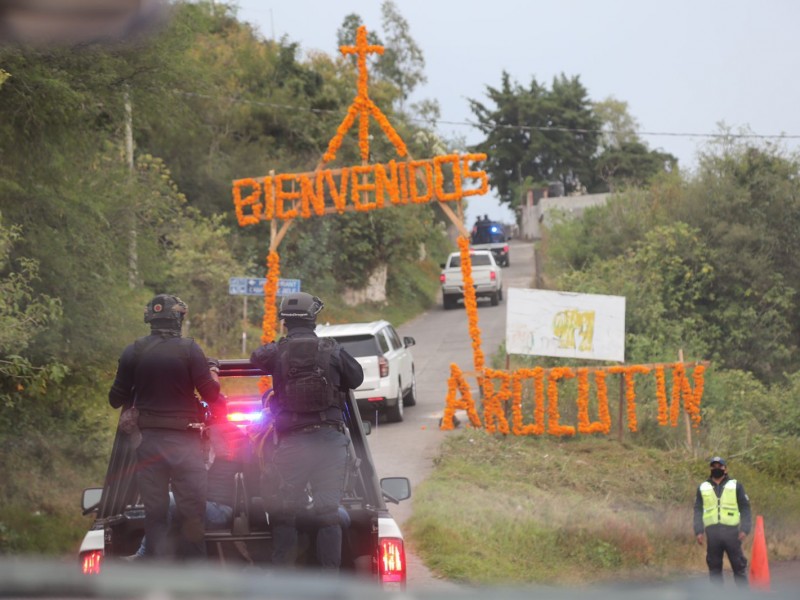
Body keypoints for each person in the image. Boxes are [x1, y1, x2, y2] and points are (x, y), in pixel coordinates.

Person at [250, 292, 363, 570]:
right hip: (329, 444)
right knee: (328, 513)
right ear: (313, 317)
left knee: (285, 512)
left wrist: (281, 348)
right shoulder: (332, 350)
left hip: (293, 443)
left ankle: (284, 583)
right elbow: (356, 377)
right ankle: (328, 582)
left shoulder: (277, 351)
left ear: (285, 320)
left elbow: (255, 358)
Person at [109, 294, 221, 560]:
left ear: (150, 319)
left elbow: (115, 399)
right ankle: (196, 578)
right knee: (191, 514)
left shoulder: (133, 351)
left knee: (155, 514)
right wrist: (212, 370)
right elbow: (212, 395)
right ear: (178, 319)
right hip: (185, 443)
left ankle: (158, 578)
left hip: (148, 445)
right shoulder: (190, 350)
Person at [131, 401, 250, 558]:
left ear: (208, 413)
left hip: (215, 509)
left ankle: (146, 555)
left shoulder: (210, 437)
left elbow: (190, 473)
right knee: (180, 509)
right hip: (224, 511)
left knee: (162, 502)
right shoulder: (236, 436)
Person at [693, 456, 752, 586]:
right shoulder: (703, 487)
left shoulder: (736, 485)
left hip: (732, 533)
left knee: (739, 567)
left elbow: (745, 508)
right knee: (714, 570)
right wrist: (698, 531)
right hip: (712, 534)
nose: (716, 468)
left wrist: (745, 529)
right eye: (714, 466)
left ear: (725, 469)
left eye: (720, 466)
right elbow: (698, 510)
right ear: (710, 468)